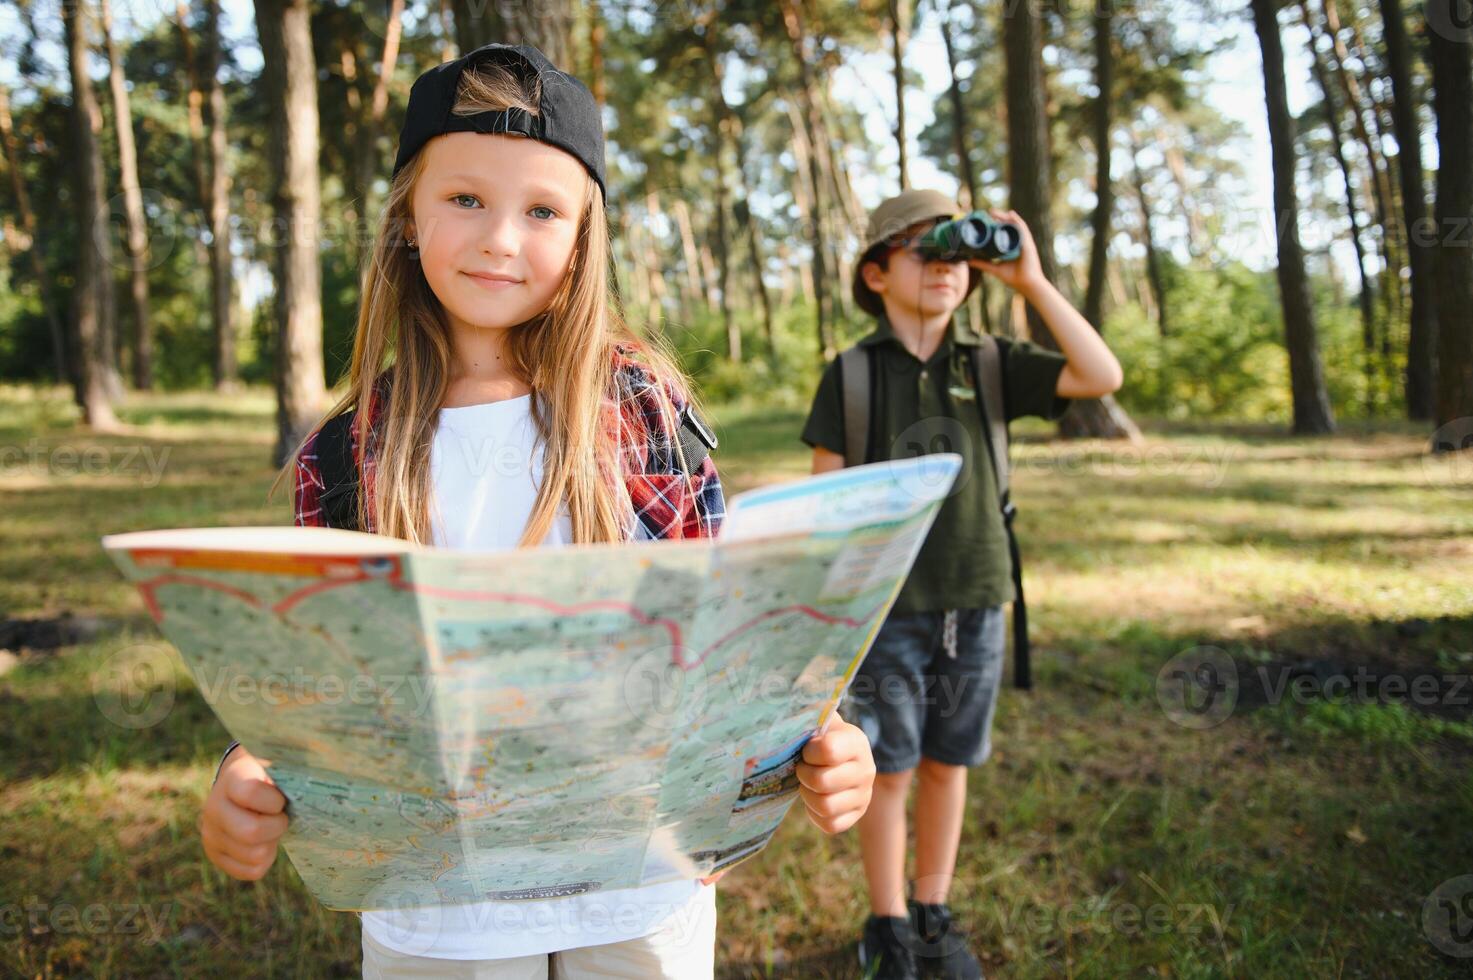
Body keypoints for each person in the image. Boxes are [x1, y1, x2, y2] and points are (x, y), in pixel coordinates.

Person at [197, 42, 877, 979]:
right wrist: (247, 766)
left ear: (583, 236)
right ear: (406, 217)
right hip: (438, 909)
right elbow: (320, 672)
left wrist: (826, 738)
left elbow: (732, 635)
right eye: (465, 198)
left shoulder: (640, 407)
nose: (501, 239)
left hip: (637, 891)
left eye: (542, 210)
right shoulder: (349, 450)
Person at [801, 189, 1123, 979]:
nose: (947, 267)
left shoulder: (988, 363)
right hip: (883, 610)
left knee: (949, 763)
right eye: (925, 250)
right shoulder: (849, 375)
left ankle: (933, 910)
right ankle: (886, 922)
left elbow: (1101, 373)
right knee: (890, 767)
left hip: (976, 597)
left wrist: (1030, 283)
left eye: (958, 255)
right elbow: (824, 511)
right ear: (875, 274)